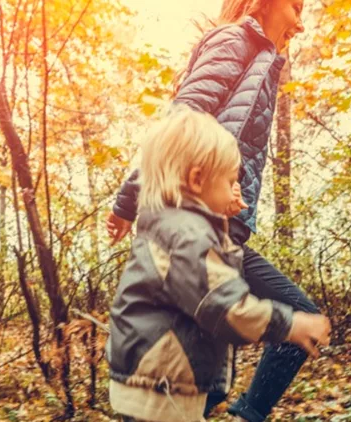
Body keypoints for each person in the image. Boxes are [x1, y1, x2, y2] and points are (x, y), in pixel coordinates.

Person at [107, 1, 317, 421]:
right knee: (293, 320)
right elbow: (176, 127)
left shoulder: (262, 57)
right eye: (295, 6)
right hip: (195, 228)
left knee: (197, 376)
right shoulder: (235, 40)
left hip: (223, 230)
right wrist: (127, 201)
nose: (300, 20)